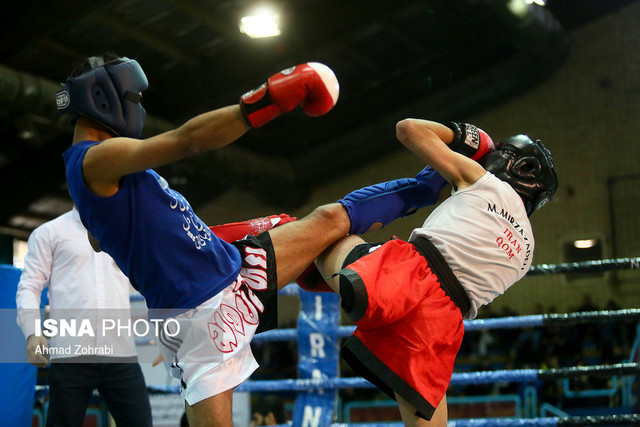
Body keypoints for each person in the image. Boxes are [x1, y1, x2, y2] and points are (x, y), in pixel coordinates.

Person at [59, 53, 444, 426]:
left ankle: (426, 188)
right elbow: (187, 140)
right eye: (135, 98)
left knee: (326, 220)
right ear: (103, 97)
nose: (138, 107)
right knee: (327, 221)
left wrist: (195, 241)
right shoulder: (97, 158)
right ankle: (413, 212)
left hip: (220, 276)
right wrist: (264, 102)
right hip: (202, 310)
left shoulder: (87, 176)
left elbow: (100, 240)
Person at [314, 119, 558, 426]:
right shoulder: (527, 251)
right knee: (421, 407)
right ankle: (337, 278)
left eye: (499, 152)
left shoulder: (486, 181)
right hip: (441, 324)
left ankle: (279, 243)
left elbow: (408, 129)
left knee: (328, 237)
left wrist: (467, 137)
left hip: (406, 274)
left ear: (519, 165)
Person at [15, 208, 152, 427]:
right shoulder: (49, 233)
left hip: (121, 352)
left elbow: (149, 280)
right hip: (71, 353)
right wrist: (33, 333)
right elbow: (29, 287)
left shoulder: (124, 233)